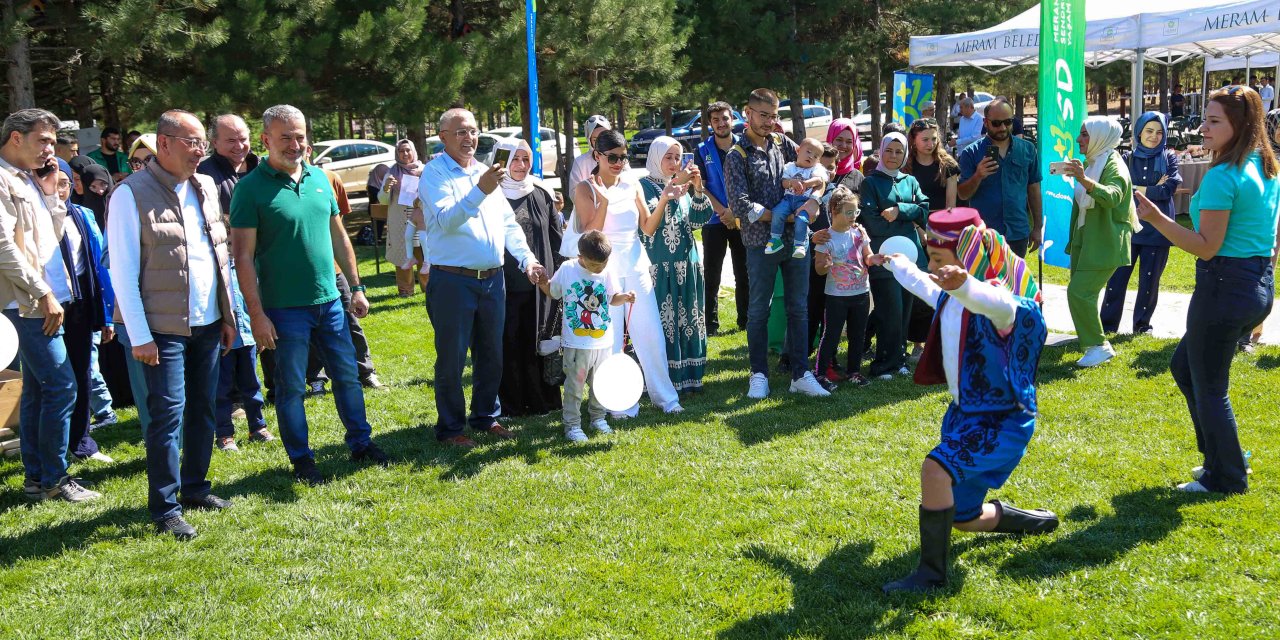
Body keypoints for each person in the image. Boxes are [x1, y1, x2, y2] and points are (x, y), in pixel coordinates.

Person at [878, 208, 1058, 594]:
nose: (932, 266)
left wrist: (964, 285)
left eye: (939, 259)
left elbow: (990, 302)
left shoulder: (1004, 305)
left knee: (934, 470)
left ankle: (930, 576)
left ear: (969, 257)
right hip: (965, 418)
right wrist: (897, 262)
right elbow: (924, 284)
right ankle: (1026, 520)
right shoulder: (950, 295)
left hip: (1002, 422)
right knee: (963, 517)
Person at [230, 104, 388, 482]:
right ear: (266, 139)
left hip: (331, 301)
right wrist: (257, 314)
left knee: (348, 377)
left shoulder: (320, 178)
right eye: (285, 137)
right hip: (283, 310)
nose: (294, 144)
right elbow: (242, 257)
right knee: (290, 389)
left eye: (300, 136)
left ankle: (361, 443)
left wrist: (357, 286)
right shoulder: (250, 189)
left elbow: (339, 237)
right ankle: (302, 459)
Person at [1134, 85, 1280, 494]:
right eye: (1205, 119)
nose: (1203, 128)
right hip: (1254, 288)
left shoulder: (1223, 175)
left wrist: (1158, 219)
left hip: (1224, 288)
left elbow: (1205, 245)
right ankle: (1221, 456)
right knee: (1185, 368)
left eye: (1214, 121)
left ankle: (1227, 475)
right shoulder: (1265, 167)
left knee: (1210, 387)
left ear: (1242, 124)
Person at [107, 110, 238, 539]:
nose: (200, 150)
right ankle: (164, 507)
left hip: (207, 321)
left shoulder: (203, 187)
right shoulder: (130, 194)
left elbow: (219, 257)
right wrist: (140, 336)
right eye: (192, 142)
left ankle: (196, 488)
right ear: (163, 144)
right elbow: (122, 271)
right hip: (160, 330)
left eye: (203, 142)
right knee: (167, 417)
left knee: (204, 408)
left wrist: (226, 314)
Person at [421, 107, 548, 448]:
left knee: (491, 353)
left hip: (492, 280)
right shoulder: (434, 174)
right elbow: (447, 221)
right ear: (443, 136)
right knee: (451, 357)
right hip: (452, 281)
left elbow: (508, 225)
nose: (469, 138)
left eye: (473, 131)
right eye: (460, 132)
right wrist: (481, 189)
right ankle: (450, 428)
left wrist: (528, 261)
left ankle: (485, 417)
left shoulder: (484, 171)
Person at [0, 108, 101, 503]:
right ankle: (55, 480)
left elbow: (48, 236)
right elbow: (4, 247)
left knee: (39, 391)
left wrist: (50, 196)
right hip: (24, 301)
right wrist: (42, 292)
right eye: (43, 140)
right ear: (15, 138)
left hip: (41, 297)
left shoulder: (26, 178)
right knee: (60, 386)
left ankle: (37, 478)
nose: (50, 149)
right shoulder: (3, 180)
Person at [724, 87, 830, 399]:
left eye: (773, 115)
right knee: (759, 310)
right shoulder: (736, 154)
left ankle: (801, 373)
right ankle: (758, 374)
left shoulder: (783, 143)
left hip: (796, 241)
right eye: (763, 115)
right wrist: (784, 218)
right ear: (748, 113)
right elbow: (741, 205)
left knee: (799, 307)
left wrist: (817, 198)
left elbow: (819, 170)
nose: (769, 121)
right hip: (760, 243)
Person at [569, 129, 683, 414]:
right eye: (612, 158)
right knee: (611, 340)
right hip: (603, 272)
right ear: (597, 156)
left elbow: (647, 227)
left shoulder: (632, 185)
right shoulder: (584, 188)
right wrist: (603, 200)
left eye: (623, 157)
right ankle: (619, 405)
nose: (619, 163)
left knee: (651, 335)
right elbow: (588, 234)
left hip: (636, 266)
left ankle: (666, 398)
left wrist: (666, 198)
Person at [196, 114, 274, 450]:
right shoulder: (203, 175)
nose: (240, 146)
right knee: (226, 352)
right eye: (231, 140)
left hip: (261, 269)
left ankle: (258, 422)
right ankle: (224, 429)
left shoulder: (261, 169)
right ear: (214, 142)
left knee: (252, 352)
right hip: (222, 273)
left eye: (244, 138)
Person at [538, 231, 635, 442]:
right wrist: (542, 281)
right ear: (580, 256)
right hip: (576, 342)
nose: (598, 268)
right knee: (575, 385)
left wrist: (624, 297)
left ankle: (598, 418)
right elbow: (553, 292)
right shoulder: (568, 269)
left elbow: (611, 298)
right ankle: (572, 425)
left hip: (603, 341)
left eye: (603, 263)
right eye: (593, 265)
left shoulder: (606, 269)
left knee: (601, 382)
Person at [1062, 116, 1138, 368]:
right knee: (1084, 293)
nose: (1078, 140)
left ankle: (1098, 346)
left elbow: (1113, 197)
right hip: (1088, 237)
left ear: (1099, 137)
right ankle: (1092, 343)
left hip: (1105, 240)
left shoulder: (1114, 165)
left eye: (1084, 134)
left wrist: (1084, 179)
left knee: (1079, 293)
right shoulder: (1094, 161)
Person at [497, 138, 565, 418]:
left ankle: (543, 402)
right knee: (509, 342)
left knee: (541, 342)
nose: (522, 165)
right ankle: (512, 405)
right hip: (503, 283)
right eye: (515, 159)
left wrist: (560, 276)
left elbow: (556, 237)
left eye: (526, 159)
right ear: (502, 160)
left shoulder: (541, 192)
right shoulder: (489, 194)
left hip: (540, 283)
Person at [640, 136, 713, 394]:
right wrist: (672, 188)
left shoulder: (683, 184)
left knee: (689, 321)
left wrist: (698, 188)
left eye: (678, 157)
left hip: (687, 264)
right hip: (661, 267)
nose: (674, 162)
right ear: (655, 158)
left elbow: (698, 220)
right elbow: (650, 227)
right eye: (668, 157)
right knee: (665, 323)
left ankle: (691, 377)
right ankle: (665, 380)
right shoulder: (643, 186)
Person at [53, 162, 115, 466]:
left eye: (65, 182)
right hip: (48, 306)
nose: (59, 187)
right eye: (53, 181)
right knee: (55, 382)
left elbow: (100, 266)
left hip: (81, 305)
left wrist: (107, 313)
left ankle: (81, 442)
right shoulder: (33, 218)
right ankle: (51, 449)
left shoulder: (82, 215)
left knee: (82, 375)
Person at [1100, 112, 1182, 336]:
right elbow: (1119, 188)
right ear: (1138, 132)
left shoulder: (1169, 157)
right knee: (1116, 280)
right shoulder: (1125, 158)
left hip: (1158, 229)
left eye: (1159, 132)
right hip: (1126, 229)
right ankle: (1107, 325)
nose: (1154, 137)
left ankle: (1142, 326)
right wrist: (1150, 188)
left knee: (1150, 281)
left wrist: (1136, 188)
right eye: (1149, 131)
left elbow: (1168, 189)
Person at [861, 132, 929, 379]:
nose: (893, 156)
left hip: (911, 259)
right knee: (890, 310)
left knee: (904, 312)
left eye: (899, 152)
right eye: (889, 150)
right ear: (880, 151)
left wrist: (900, 211)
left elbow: (924, 211)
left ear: (905, 154)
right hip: (884, 259)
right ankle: (883, 364)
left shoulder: (910, 181)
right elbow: (873, 224)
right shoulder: (870, 183)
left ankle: (899, 360)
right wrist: (907, 221)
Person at [957, 97, 1043, 257]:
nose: (1003, 127)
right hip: (985, 233)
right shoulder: (971, 153)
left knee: (1015, 281)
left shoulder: (1027, 149)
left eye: (1008, 122)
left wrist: (1038, 227)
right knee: (985, 282)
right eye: (996, 123)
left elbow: (1034, 190)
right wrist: (978, 175)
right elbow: (962, 194)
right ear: (985, 122)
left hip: (1017, 232)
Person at [696, 101, 749, 335]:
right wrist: (723, 211)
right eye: (715, 120)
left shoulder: (745, 146)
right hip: (714, 220)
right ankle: (710, 324)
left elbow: (751, 184)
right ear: (710, 123)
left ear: (733, 119)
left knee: (744, 272)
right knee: (712, 273)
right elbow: (700, 187)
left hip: (742, 219)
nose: (721, 123)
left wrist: (735, 213)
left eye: (725, 118)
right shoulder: (702, 150)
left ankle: (745, 320)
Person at [812, 186, 872, 390]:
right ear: (834, 212)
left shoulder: (859, 232)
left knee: (858, 334)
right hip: (837, 295)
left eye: (856, 212)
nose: (853, 216)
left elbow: (867, 256)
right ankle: (819, 373)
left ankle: (854, 371)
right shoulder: (825, 238)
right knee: (832, 334)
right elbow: (819, 269)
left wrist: (876, 258)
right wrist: (825, 265)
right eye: (849, 212)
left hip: (861, 292)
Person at [764, 137, 828, 258]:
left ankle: (799, 245)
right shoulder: (789, 167)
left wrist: (807, 183)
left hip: (803, 201)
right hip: (788, 199)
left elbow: (819, 180)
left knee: (802, 219)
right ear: (798, 150)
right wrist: (791, 183)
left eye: (816, 156)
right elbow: (783, 182)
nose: (811, 157)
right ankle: (775, 239)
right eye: (808, 152)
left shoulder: (816, 169)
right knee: (777, 212)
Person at [382, 139, 423, 297]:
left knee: (423, 254)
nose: (405, 154)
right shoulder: (391, 172)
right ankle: (406, 290)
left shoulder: (424, 170)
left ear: (413, 151)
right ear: (397, 153)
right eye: (401, 151)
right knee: (403, 255)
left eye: (408, 150)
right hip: (400, 221)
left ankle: (428, 288)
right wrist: (386, 188)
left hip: (420, 219)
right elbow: (383, 200)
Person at [905, 118, 959, 210]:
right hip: (912, 220)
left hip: (940, 221)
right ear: (913, 140)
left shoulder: (948, 164)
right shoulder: (905, 164)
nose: (930, 144)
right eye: (925, 140)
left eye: (934, 139)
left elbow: (951, 207)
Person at [568, 114, 611, 196]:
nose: (600, 142)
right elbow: (574, 193)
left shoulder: (619, 158)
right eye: (595, 139)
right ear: (589, 140)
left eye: (604, 137)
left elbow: (629, 185)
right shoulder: (580, 162)